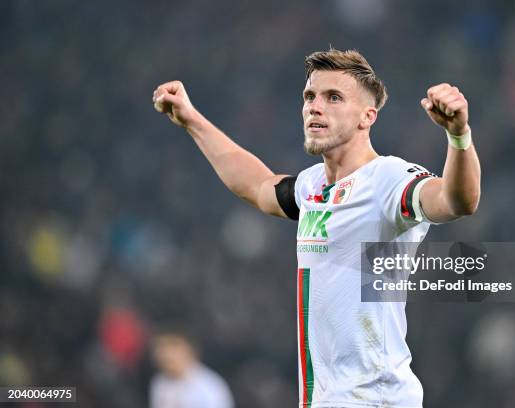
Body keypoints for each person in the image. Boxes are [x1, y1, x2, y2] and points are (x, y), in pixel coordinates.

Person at [152, 49, 481, 408]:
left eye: (333, 97)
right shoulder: (312, 187)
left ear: (366, 117)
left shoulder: (388, 179)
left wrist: (459, 136)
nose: (314, 106)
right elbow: (257, 185)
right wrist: (191, 120)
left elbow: (457, 201)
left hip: (375, 400)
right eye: (310, 96)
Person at [150, 329, 234, 408]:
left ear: (190, 349)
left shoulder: (209, 386)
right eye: (161, 347)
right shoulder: (159, 382)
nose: (166, 354)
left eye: (173, 346)